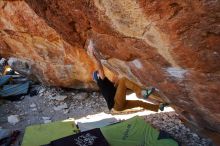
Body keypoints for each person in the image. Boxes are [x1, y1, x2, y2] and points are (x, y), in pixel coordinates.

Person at [87, 40, 168, 112]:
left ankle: (158, 107)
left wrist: (118, 77)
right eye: (97, 74)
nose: (99, 73)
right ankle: (142, 92)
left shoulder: (105, 85)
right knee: (124, 80)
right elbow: (100, 69)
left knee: (139, 103)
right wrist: (93, 56)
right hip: (116, 104)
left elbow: (115, 86)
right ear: (97, 77)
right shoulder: (101, 82)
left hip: (118, 106)